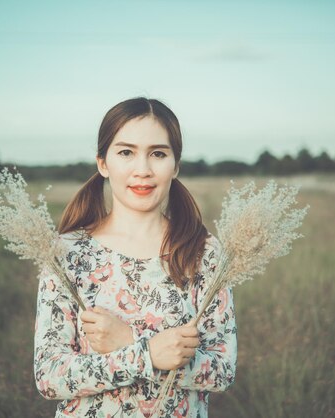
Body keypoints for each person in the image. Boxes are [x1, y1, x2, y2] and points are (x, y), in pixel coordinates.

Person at [34, 97, 237, 417]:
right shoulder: (67, 253)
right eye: (126, 152)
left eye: (158, 153)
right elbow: (49, 376)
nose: (142, 170)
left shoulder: (203, 252)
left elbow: (222, 372)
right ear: (103, 162)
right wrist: (147, 354)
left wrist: (128, 339)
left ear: (176, 164)